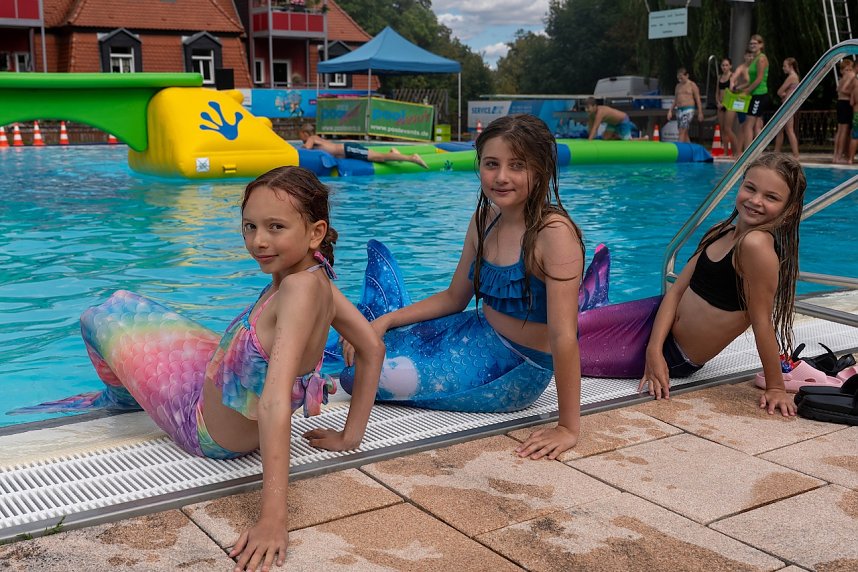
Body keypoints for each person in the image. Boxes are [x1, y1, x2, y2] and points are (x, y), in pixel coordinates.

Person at [20, 166, 385, 572]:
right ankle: (129, 391)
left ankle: (120, 400)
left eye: (275, 227)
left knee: (98, 317)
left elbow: (274, 401)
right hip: (218, 381)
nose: (258, 241)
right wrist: (350, 436)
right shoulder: (316, 275)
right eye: (249, 226)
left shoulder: (297, 290)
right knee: (129, 302)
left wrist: (272, 520)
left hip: (204, 427)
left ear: (316, 232)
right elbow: (372, 346)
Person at [341, 114, 589, 460]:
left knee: (356, 377)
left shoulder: (553, 234)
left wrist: (568, 427)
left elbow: (564, 336)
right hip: (474, 332)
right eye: (491, 164)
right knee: (365, 345)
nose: (501, 177)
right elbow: (454, 297)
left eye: (517, 166)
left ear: (541, 170)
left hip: (514, 369)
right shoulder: (484, 220)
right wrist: (385, 321)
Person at [576, 153, 806, 417]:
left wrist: (776, 386)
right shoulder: (721, 231)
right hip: (655, 319)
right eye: (750, 188)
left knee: (559, 354)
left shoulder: (757, 247)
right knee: (563, 328)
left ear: (788, 209)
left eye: (771, 197)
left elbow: (762, 322)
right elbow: (675, 293)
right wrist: (653, 348)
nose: (755, 201)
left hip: (676, 354)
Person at [299, 123, 428, 168]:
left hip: (348, 149)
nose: (300, 137)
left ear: (305, 133)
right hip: (347, 151)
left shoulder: (311, 138)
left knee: (379, 158)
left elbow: (307, 149)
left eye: (300, 134)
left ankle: (412, 158)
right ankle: (393, 152)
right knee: (379, 156)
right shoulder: (317, 138)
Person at [736, 35, 770, 147]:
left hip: (759, 95)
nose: (752, 46)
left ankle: (748, 152)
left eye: (755, 43)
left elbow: (759, 79)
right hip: (754, 94)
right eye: (751, 44)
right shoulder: (754, 59)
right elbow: (752, 80)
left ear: (761, 45)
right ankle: (757, 151)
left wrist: (747, 90)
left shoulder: (761, 58)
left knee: (748, 124)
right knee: (756, 125)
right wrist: (744, 88)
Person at [667, 68, 704, 143]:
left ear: (687, 76)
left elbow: (697, 99)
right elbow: (675, 99)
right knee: (684, 132)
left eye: (681, 78)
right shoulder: (678, 86)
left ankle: (679, 150)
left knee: (682, 130)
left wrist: (700, 112)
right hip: (679, 110)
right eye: (678, 78)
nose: (680, 80)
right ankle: (690, 149)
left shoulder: (692, 85)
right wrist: (670, 110)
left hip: (688, 109)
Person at [774, 57, 801, 158]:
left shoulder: (792, 77)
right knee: (780, 129)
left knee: (789, 130)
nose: (783, 68)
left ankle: (796, 155)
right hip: (789, 105)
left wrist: (783, 94)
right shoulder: (796, 77)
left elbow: (779, 91)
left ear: (791, 66)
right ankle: (776, 152)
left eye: (785, 66)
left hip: (787, 106)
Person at [833, 59, 856, 164]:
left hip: (840, 103)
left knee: (840, 130)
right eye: (848, 68)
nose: (849, 70)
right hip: (845, 104)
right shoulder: (851, 75)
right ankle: (838, 156)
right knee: (844, 130)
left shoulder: (843, 77)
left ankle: (836, 155)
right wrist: (853, 92)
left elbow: (838, 89)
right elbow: (843, 90)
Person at [716, 58, 739, 157]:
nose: (724, 67)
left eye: (726, 65)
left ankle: (737, 152)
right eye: (723, 65)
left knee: (728, 129)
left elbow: (732, 92)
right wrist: (717, 102)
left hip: (729, 105)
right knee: (723, 130)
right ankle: (725, 152)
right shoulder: (719, 77)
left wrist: (724, 103)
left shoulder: (733, 76)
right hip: (720, 105)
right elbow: (717, 91)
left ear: (730, 66)